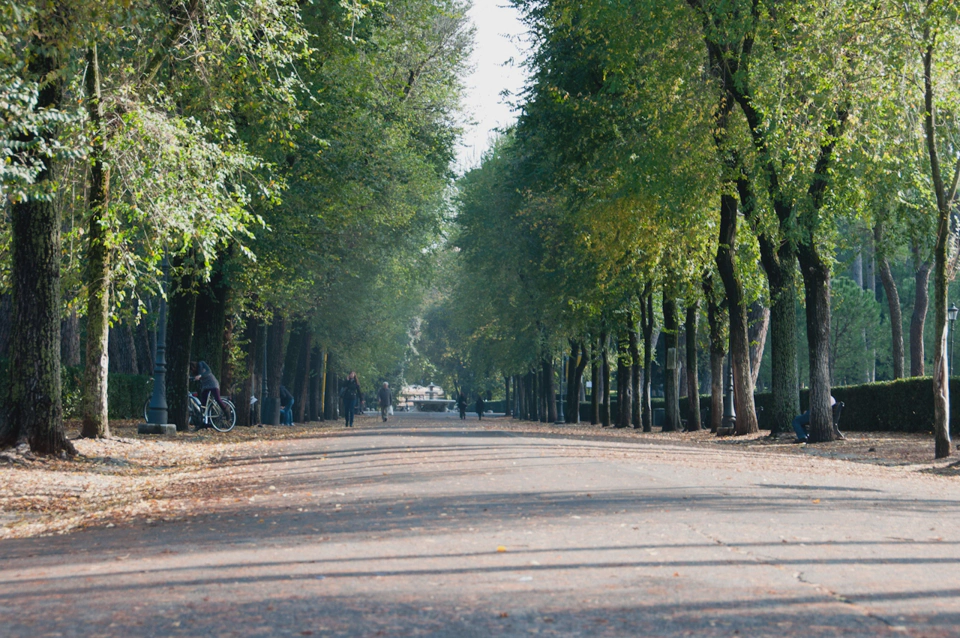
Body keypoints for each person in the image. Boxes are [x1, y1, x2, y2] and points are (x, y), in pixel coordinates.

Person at [191, 361, 228, 429]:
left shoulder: (201, 364)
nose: (192, 370)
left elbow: (208, 371)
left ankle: (226, 411)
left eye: (192, 368)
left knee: (217, 399)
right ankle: (204, 422)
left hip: (213, 384)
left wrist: (200, 375)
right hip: (205, 386)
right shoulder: (196, 371)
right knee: (203, 404)